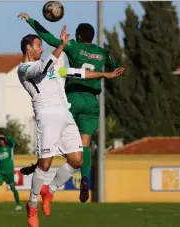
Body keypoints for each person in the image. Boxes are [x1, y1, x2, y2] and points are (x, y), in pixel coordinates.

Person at [18, 22, 124, 227]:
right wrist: (61, 46)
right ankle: (31, 206)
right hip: (46, 117)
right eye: (39, 45)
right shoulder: (24, 69)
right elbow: (44, 66)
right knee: (45, 164)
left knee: (77, 159)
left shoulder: (53, 66)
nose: (41, 48)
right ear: (28, 48)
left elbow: (78, 73)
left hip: (65, 116)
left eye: (42, 46)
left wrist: (106, 74)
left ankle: (49, 191)